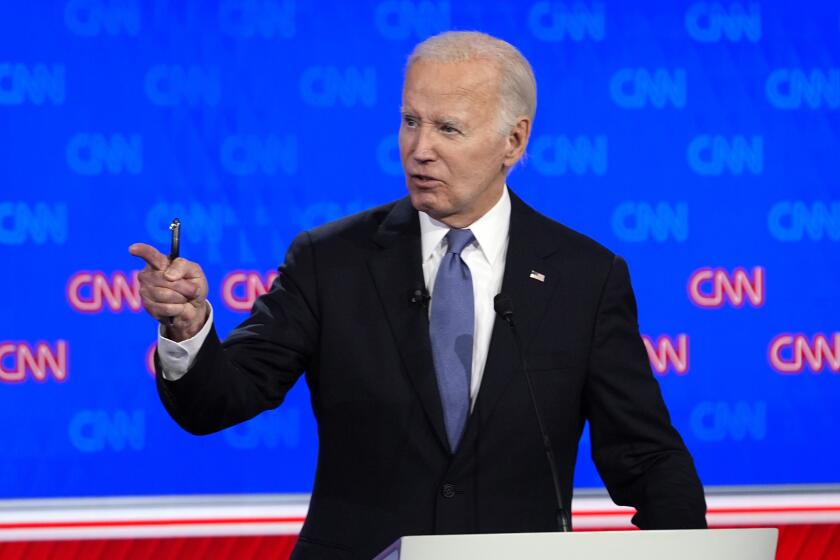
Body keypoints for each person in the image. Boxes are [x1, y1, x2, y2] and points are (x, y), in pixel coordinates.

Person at [129, 31, 706, 560]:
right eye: (410, 121)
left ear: (514, 140)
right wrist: (187, 327)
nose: (419, 148)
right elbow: (220, 400)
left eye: (447, 128)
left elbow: (645, 456)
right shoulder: (330, 260)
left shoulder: (586, 276)